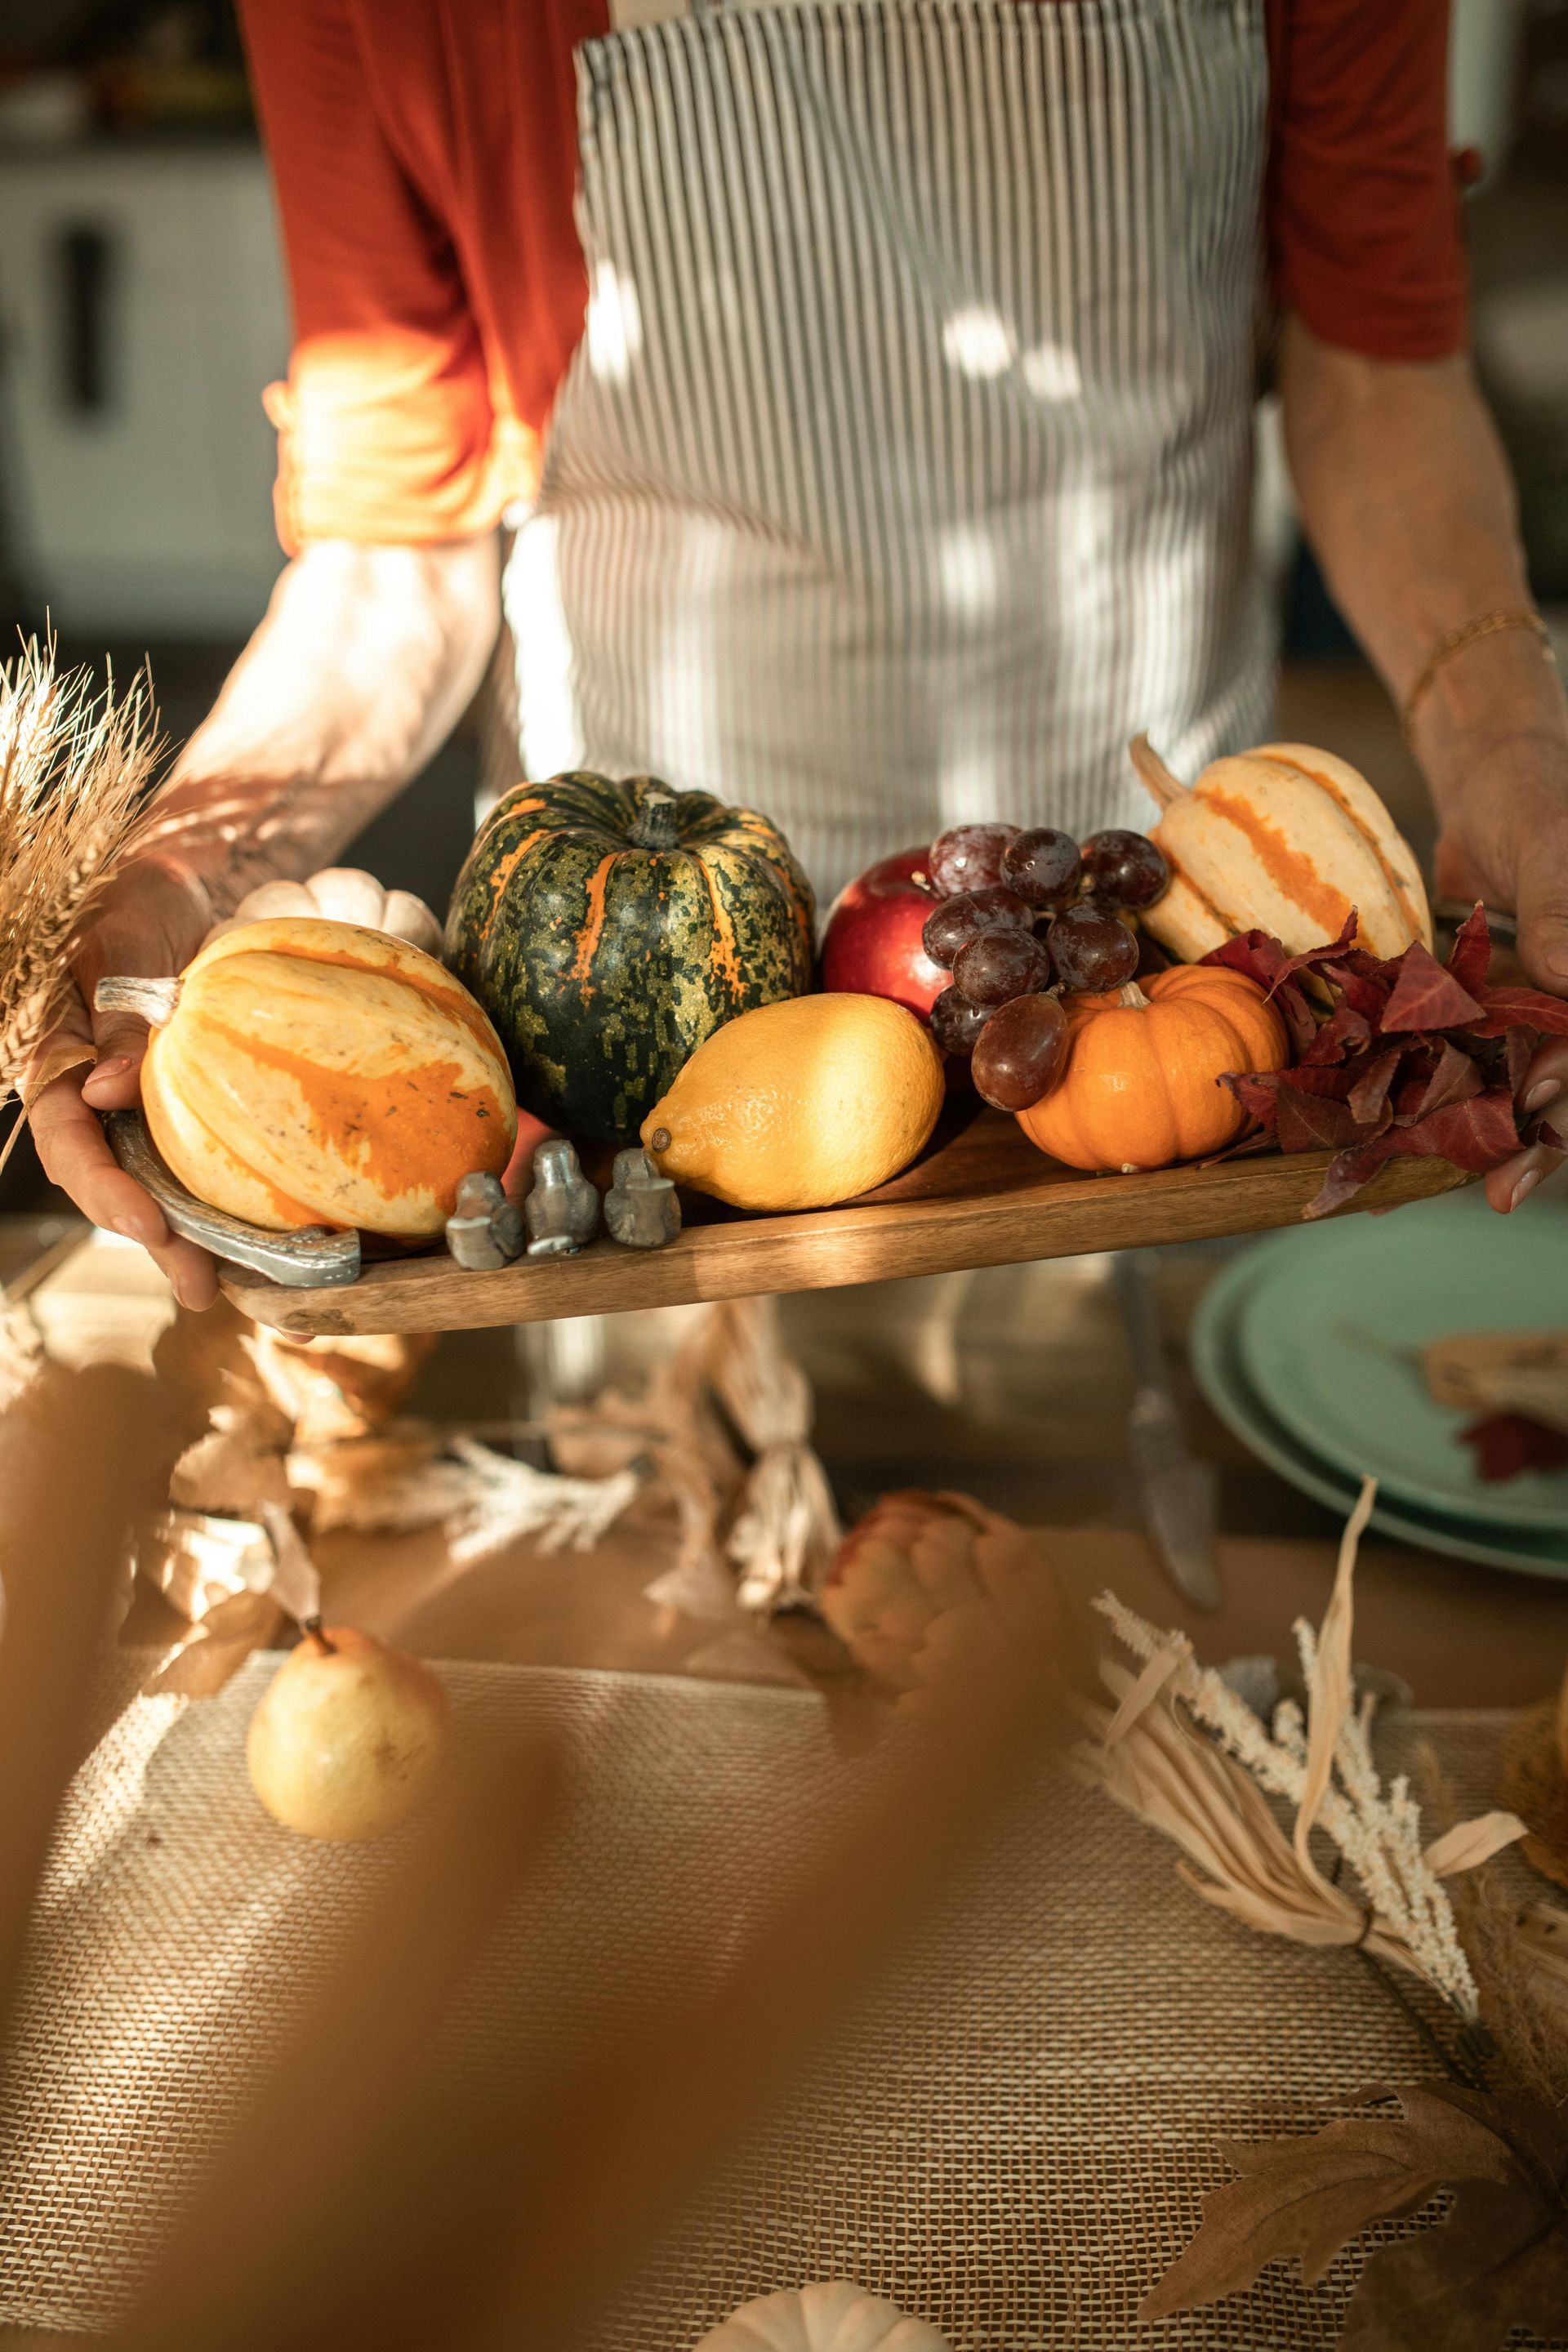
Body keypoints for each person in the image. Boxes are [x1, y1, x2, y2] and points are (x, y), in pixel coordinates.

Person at [27, 0, 1568, 1308]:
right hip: (638, 1081)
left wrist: (1518, 755)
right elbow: (391, 561)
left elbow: (1376, 367)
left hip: (1167, 996)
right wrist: (180, 869)